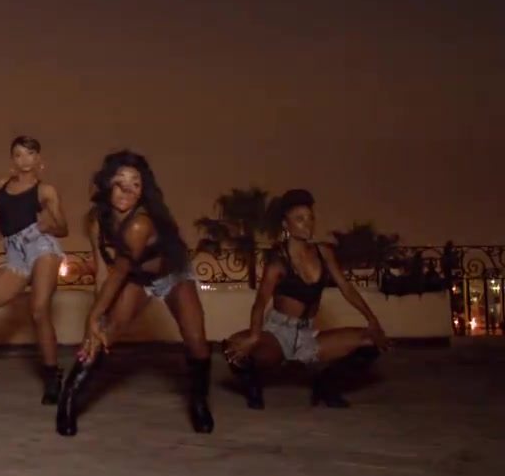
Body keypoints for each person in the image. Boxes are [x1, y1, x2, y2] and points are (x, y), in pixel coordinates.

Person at [56, 150, 215, 436]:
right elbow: (103, 272)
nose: (127, 190)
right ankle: (68, 400)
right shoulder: (95, 220)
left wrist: (92, 316)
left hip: (173, 275)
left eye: (135, 184)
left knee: (196, 341)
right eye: (120, 182)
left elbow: (118, 273)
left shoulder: (141, 223)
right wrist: (96, 320)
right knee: (106, 332)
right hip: (138, 278)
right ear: (107, 183)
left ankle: (199, 401)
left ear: (143, 191)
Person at [223, 189, 389, 409]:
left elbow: (347, 288)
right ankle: (253, 387)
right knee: (233, 347)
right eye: (299, 219)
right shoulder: (278, 261)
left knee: (372, 341)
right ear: (286, 224)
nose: (307, 224)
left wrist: (372, 320)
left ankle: (326, 386)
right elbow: (260, 302)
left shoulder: (324, 252)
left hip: (309, 334)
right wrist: (254, 336)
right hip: (278, 334)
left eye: (310, 218)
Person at [0, 135, 69, 404]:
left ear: (38, 159)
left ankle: (52, 377)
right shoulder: (3, 186)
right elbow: (4, 219)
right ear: (12, 159)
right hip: (14, 253)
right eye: (19, 154)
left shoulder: (46, 191)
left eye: (30, 154)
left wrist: (48, 226)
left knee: (39, 310)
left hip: (41, 247)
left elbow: (63, 228)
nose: (24, 160)